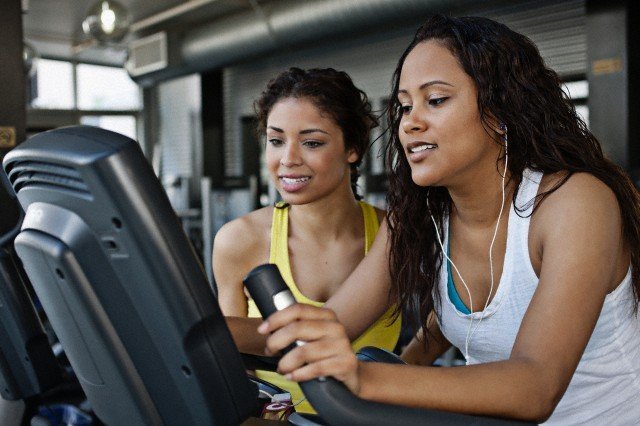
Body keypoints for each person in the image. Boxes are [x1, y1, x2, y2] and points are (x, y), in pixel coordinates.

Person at [257, 15, 640, 424]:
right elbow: (330, 323)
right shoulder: (421, 215)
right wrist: (202, 333)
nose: (410, 122)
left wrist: (365, 377)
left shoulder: (572, 202)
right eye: (404, 106)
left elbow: (536, 386)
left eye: (435, 100)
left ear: (499, 110)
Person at [212, 67, 402, 414]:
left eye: (312, 142)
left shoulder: (397, 235)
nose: (288, 159)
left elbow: (444, 324)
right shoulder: (238, 241)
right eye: (276, 140)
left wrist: (403, 376)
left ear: (353, 149)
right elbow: (237, 369)